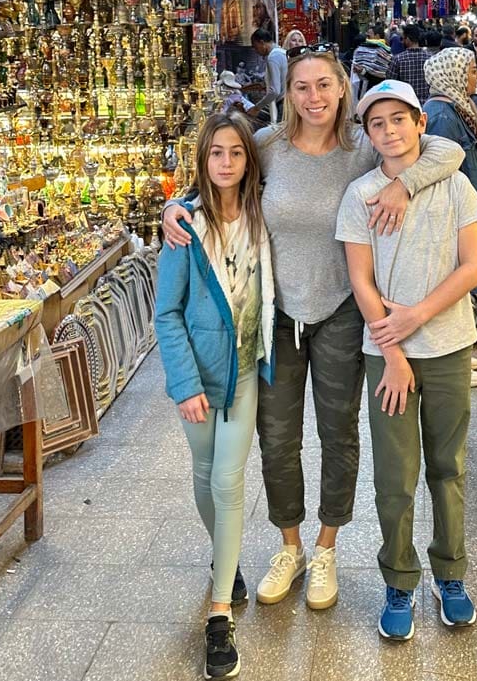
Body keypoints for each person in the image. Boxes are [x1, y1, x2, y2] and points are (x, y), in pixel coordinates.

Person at [162, 45, 464, 614]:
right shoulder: (267, 147)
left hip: (344, 312)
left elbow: (444, 150)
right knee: (277, 437)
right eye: (302, 87)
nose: (314, 97)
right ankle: (291, 545)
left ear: (342, 88)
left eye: (324, 85)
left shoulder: (359, 149)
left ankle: (326, 547)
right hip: (275, 312)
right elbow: (219, 172)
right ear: (287, 93)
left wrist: (404, 184)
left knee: (338, 432)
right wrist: (175, 207)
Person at [336, 79, 477, 641]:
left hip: (448, 345)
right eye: (378, 123)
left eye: (400, 119)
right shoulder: (361, 195)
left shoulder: (451, 183)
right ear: (368, 135)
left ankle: (451, 573)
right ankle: (399, 578)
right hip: (388, 358)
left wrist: (416, 316)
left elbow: (472, 266)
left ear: (421, 124)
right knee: (396, 477)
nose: (391, 131)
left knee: (449, 467)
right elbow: (360, 278)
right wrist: (393, 350)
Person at [155, 112, 276, 680]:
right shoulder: (185, 228)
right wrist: (183, 385)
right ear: (202, 162)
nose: (226, 163)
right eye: (215, 154)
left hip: (245, 370)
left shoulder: (261, 214)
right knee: (204, 473)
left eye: (236, 152)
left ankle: (220, 611)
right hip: (198, 379)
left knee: (228, 479)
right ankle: (223, 561)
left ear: (249, 160)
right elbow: (166, 313)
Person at [423, 48, 477, 387]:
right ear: (455, 75)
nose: (476, 77)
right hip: (454, 213)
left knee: (462, 286)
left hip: (467, 206)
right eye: (472, 71)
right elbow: (441, 169)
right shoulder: (442, 114)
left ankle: (460, 352)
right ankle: (454, 362)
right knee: (456, 283)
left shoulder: (456, 107)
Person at [249, 27, 287, 122]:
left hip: (284, 105)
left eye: (256, 47)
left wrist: (257, 108)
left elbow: (274, 91)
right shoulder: (282, 52)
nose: (256, 51)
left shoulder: (273, 57)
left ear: (262, 43)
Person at [386, 24, 430, 105]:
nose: (401, 41)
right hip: (427, 105)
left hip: (406, 105)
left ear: (408, 39)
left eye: (402, 38)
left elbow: (390, 83)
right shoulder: (430, 58)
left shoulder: (398, 59)